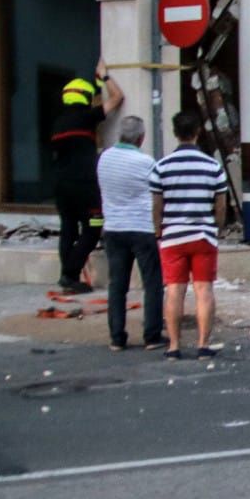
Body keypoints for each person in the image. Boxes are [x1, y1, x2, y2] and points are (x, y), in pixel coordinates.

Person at [150, 109, 229, 359]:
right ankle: (203, 345)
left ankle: (173, 346)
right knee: (204, 290)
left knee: (174, 291)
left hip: (172, 237)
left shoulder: (161, 167)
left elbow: (157, 205)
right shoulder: (213, 166)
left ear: (175, 134)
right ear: (198, 132)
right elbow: (221, 205)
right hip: (203, 236)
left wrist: (158, 231)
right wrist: (215, 226)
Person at [48, 61, 124, 292]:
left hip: (61, 186)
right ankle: (71, 276)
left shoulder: (58, 123)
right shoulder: (86, 117)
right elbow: (117, 98)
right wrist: (104, 77)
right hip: (85, 186)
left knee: (68, 229)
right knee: (92, 229)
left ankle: (66, 274)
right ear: (85, 97)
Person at [96, 115, 166, 352]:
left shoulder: (104, 159)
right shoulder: (146, 162)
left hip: (114, 229)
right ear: (141, 138)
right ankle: (152, 335)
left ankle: (117, 337)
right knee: (152, 283)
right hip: (142, 228)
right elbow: (159, 193)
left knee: (117, 285)